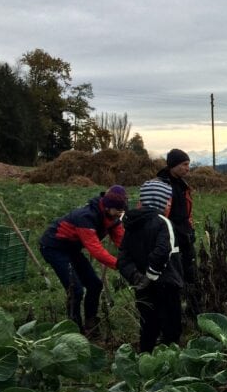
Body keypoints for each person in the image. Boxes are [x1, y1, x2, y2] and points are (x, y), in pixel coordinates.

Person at [39, 185, 126, 337]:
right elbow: (96, 249)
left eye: (122, 210)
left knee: (95, 284)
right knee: (76, 290)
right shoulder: (86, 217)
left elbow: (123, 241)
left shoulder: (113, 218)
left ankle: (91, 323)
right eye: (117, 210)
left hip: (71, 248)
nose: (120, 213)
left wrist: (135, 257)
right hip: (54, 247)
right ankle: (74, 330)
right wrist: (119, 264)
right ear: (107, 207)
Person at [117, 179, 184, 352]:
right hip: (166, 285)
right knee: (171, 327)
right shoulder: (163, 223)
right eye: (168, 201)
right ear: (162, 202)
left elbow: (123, 258)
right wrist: (150, 276)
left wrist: (135, 276)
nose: (169, 204)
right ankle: (170, 361)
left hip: (142, 287)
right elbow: (163, 251)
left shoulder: (132, 224)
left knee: (148, 326)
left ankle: (144, 358)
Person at [156, 149, 196, 311]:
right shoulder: (161, 185)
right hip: (170, 238)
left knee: (191, 272)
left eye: (188, 164)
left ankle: (193, 309)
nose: (187, 168)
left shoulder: (182, 185)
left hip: (185, 235)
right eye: (184, 164)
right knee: (174, 275)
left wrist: (190, 228)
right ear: (173, 165)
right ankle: (175, 309)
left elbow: (187, 212)